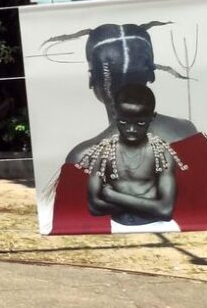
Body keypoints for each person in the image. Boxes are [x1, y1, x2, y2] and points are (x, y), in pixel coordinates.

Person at [45, 22, 207, 233]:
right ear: (151, 72)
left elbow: (78, 230)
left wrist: (113, 196)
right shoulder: (186, 134)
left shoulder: (82, 158)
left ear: (92, 79)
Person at [76, 84, 180, 226]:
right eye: (123, 122)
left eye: (140, 123)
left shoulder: (160, 153)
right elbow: (94, 207)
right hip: (117, 228)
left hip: (159, 226)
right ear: (114, 114)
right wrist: (148, 204)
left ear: (152, 117)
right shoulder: (104, 152)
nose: (131, 129)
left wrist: (112, 195)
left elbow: (165, 210)